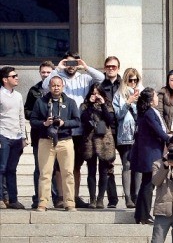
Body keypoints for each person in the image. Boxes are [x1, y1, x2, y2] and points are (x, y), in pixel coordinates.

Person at [42, 51, 105, 208]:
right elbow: (45, 86)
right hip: (61, 127)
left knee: (75, 164)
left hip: (79, 126)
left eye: (74, 63)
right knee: (59, 165)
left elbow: (101, 78)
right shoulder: (59, 77)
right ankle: (61, 197)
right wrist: (58, 68)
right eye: (69, 63)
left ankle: (74, 196)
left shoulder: (84, 78)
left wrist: (85, 66)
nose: (71, 67)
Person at [30, 76, 81, 211]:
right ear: (49, 87)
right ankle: (43, 202)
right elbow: (33, 121)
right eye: (53, 85)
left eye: (59, 85)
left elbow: (77, 121)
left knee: (68, 173)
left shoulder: (70, 102)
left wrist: (65, 123)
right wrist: (44, 123)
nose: (56, 88)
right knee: (45, 173)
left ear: (63, 86)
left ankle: (69, 202)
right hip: (46, 140)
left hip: (65, 141)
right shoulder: (41, 102)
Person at [24, 61, 58, 209]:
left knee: (57, 167)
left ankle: (57, 197)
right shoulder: (34, 91)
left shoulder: (60, 91)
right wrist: (41, 117)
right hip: (39, 134)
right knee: (40, 168)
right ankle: (38, 197)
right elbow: (27, 112)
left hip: (58, 135)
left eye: (48, 72)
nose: (45, 75)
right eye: (43, 72)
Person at [132, 87, 169, 224]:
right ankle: (144, 215)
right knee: (148, 185)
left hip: (151, 151)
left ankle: (140, 214)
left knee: (146, 184)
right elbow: (158, 130)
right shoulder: (148, 113)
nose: (157, 98)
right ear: (149, 99)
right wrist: (170, 139)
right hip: (150, 153)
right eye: (155, 96)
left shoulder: (149, 112)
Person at [80, 83, 116, 209]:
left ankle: (100, 198)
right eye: (93, 93)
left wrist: (102, 105)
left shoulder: (107, 104)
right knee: (91, 171)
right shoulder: (85, 105)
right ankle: (92, 199)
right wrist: (90, 105)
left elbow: (110, 120)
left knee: (104, 171)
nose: (95, 96)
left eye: (98, 93)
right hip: (89, 140)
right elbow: (84, 119)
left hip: (104, 140)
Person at [113, 68, 143, 208]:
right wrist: (129, 102)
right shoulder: (119, 94)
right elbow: (118, 114)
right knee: (127, 164)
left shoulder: (142, 93)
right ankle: (128, 197)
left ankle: (136, 195)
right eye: (130, 80)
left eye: (135, 80)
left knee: (138, 166)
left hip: (140, 134)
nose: (132, 83)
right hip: (125, 134)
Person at [0, 67, 28, 209]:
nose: (17, 78)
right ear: (5, 79)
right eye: (13, 76)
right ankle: (0, 198)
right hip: (3, 135)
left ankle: (13, 199)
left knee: (12, 169)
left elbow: (21, 116)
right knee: (1, 168)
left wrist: (23, 136)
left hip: (16, 137)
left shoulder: (18, 95)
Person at [100, 56, 122, 208]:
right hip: (107, 130)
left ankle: (131, 196)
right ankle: (112, 199)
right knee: (107, 165)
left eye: (114, 66)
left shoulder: (126, 84)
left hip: (125, 130)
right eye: (108, 66)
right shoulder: (100, 86)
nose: (111, 69)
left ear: (118, 68)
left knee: (129, 165)